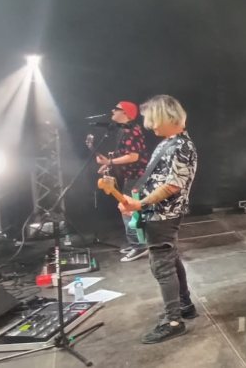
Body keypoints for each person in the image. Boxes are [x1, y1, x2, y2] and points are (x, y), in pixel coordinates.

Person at [119, 95, 199, 343]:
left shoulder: (182, 146)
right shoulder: (168, 143)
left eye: (154, 120)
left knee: (162, 266)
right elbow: (155, 180)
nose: (150, 126)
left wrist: (141, 204)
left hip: (164, 214)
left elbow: (173, 185)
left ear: (168, 117)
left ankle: (173, 321)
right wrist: (135, 201)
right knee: (170, 259)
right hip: (156, 212)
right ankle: (184, 305)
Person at [95, 100, 149, 262]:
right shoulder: (124, 130)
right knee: (128, 210)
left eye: (116, 109)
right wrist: (108, 164)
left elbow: (133, 156)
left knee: (128, 211)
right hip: (131, 176)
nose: (112, 111)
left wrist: (110, 162)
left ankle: (139, 246)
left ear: (125, 113)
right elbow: (124, 154)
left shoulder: (132, 130)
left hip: (136, 177)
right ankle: (136, 243)